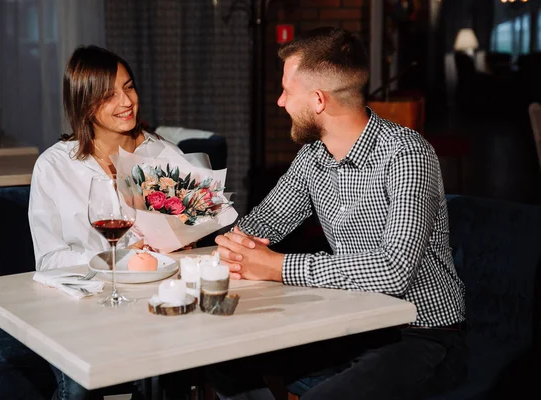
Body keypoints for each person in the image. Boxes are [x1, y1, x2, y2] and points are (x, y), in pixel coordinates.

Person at [209, 27, 467, 400]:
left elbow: (393, 270)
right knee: (225, 360)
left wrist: (277, 266)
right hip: (350, 322)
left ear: (317, 100)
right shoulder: (312, 156)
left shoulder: (407, 155)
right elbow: (265, 221)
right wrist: (235, 244)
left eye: (286, 91)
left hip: (423, 333)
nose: (280, 102)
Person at [29, 46, 190, 400]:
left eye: (129, 87)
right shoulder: (54, 167)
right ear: (84, 105)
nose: (126, 101)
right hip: (83, 314)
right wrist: (116, 257)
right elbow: (48, 261)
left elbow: (186, 235)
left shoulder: (164, 155)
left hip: (154, 306)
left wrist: (184, 237)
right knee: (80, 384)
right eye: (109, 95)